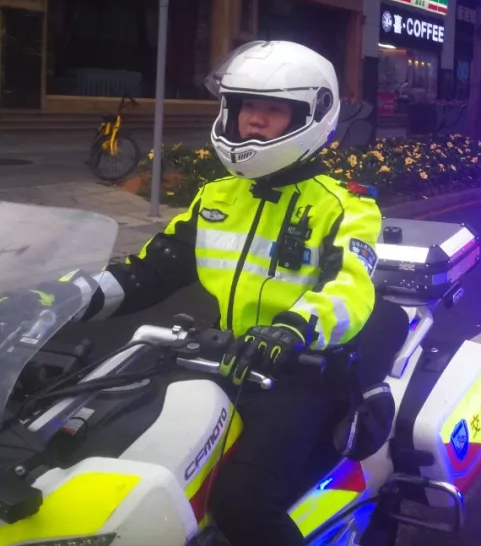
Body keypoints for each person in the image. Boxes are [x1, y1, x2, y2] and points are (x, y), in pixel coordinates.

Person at [62, 41, 407, 545]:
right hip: (217, 359)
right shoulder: (216, 196)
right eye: (246, 106)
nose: (254, 120)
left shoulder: (345, 207)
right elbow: (150, 270)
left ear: (310, 117)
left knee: (241, 503)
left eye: (274, 109)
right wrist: (67, 297)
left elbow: (350, 287)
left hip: (299, 374)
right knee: (116, 460)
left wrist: (292, 328)